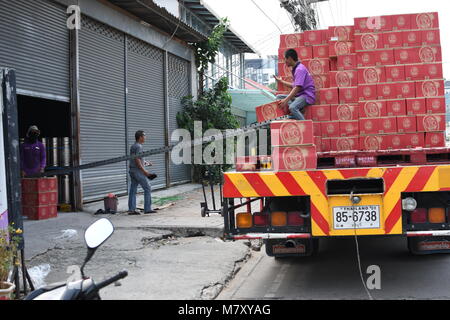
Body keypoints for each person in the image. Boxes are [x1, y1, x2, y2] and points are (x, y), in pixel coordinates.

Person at [274, 49, 316, 120]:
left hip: (307, 95)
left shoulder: (299, 69)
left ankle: (306, 127)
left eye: (285, 59)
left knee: (292, 107)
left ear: (290, 58)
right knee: (279, 97)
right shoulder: (296, 69)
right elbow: (294, 85)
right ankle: (294, 114)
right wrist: (281, 81)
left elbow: (297, 87)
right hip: (299, 95)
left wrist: (286, 100)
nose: (284, 62)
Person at [128, 130, 156, 215]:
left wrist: (147, 163)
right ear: (140, 137)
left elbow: (138, 159)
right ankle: (147, 209)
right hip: (138, 171)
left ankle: (132, 209)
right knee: (147, 188)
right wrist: (145, 172)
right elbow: (137, 160)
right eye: (144, 136)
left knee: (133, 189)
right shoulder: (139, 147)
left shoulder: (133, 146)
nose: (145, 137)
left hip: (132, 170)